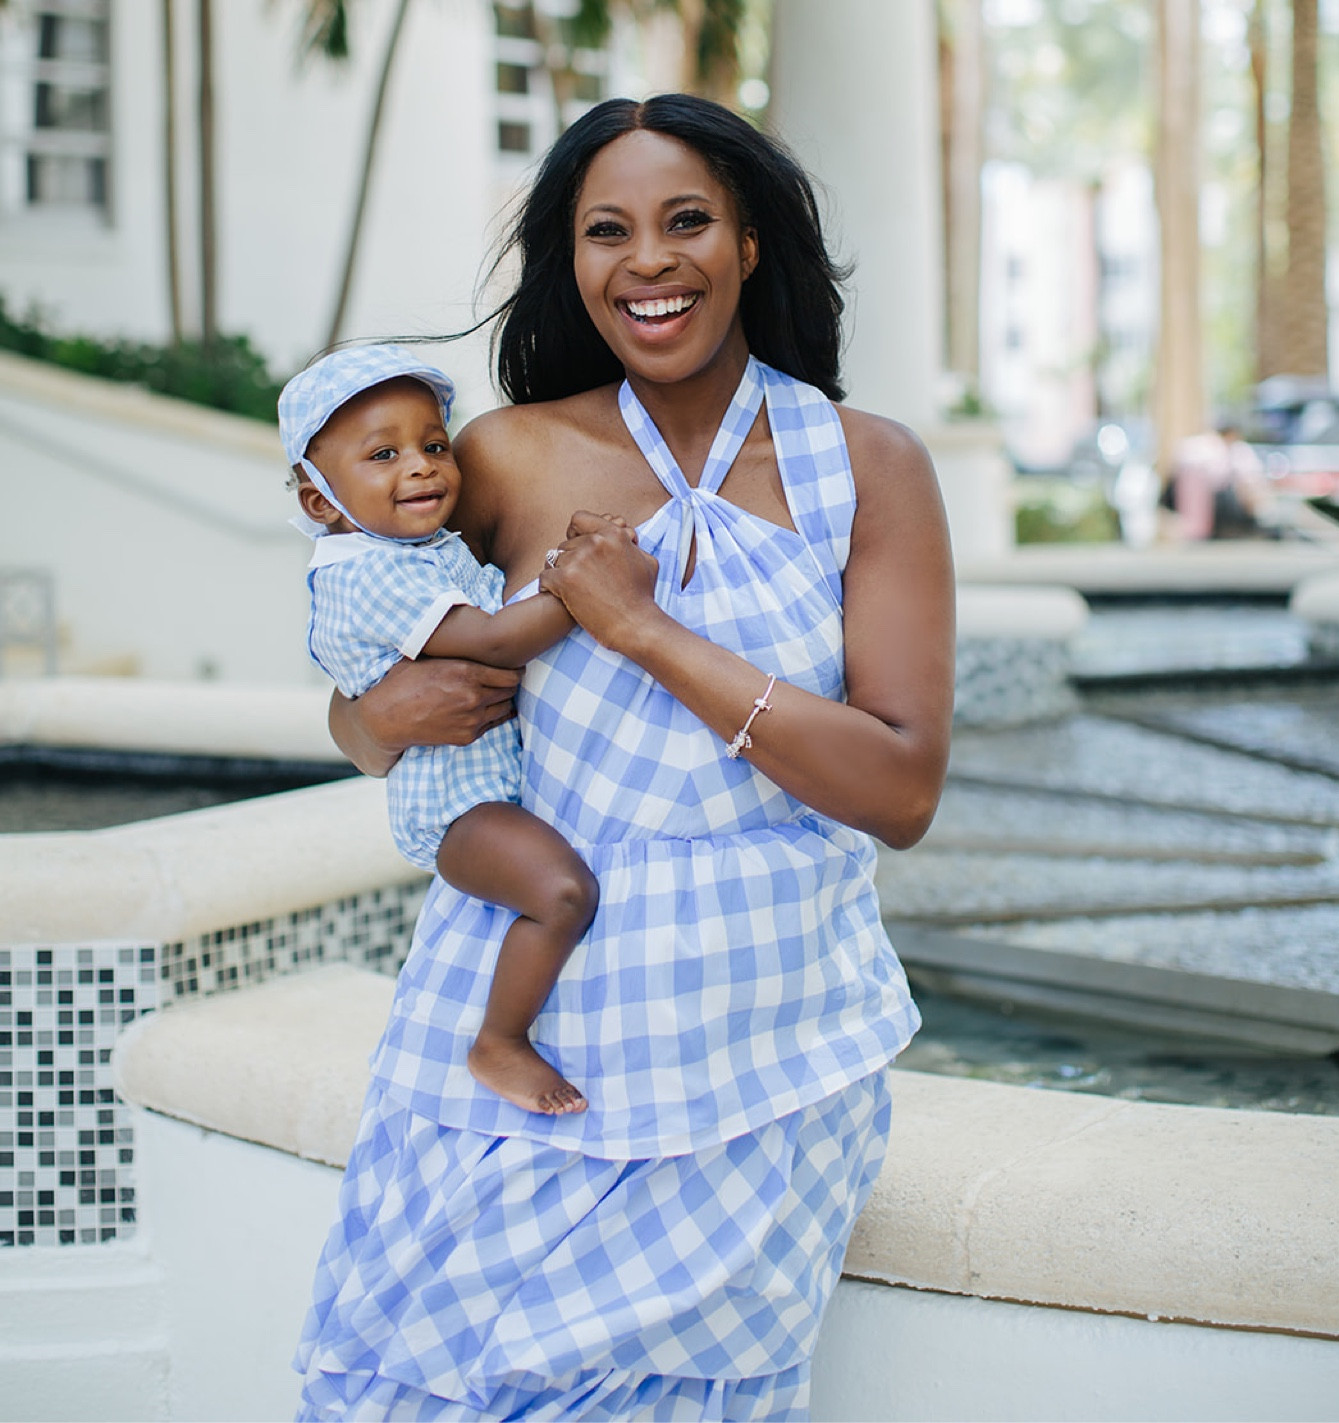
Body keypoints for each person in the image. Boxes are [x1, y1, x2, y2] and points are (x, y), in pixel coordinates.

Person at [294, 94, 955, 1423]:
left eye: (685, 220)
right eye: (607, 230)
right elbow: (364, 698)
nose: (647, 258)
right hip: (514, 1031)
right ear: (573, 262)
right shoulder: (506, 453)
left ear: (750, 242)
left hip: (759, 1044)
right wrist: (382, 718)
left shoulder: (864, 465)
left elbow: (899, 788)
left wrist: (644, 630)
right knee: (418, 1388)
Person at [278, 343, 630, 1117]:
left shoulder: (422, 550)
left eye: (434, 444)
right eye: (383, 455)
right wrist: (586, 582)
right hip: (456, 807)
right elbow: (499, 639)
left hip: (485, 789)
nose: (423, 466)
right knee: (561, 892)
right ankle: (499, 1040)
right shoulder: (365, 573)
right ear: (321, 501)